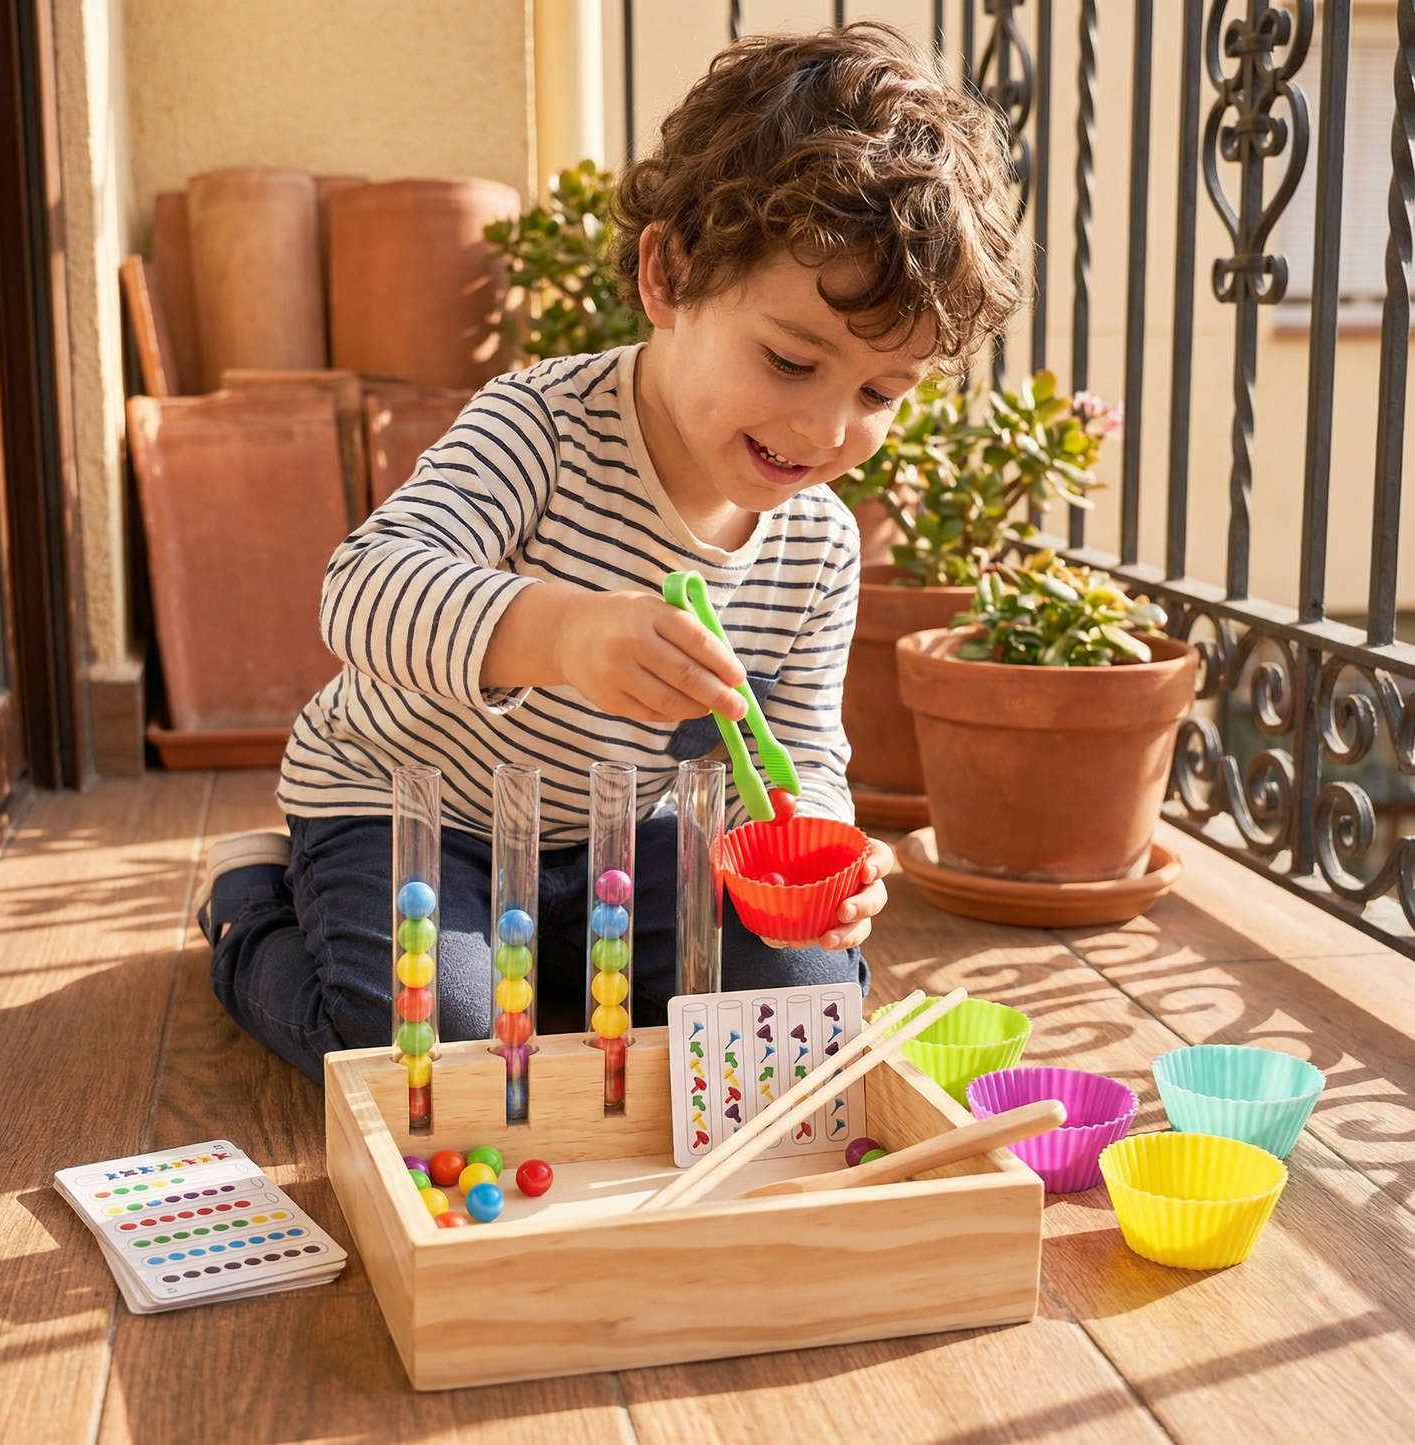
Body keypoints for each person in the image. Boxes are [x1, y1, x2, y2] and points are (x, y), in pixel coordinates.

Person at [199, 20, 1023, 1083]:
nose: (824, 432)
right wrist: (559, 630)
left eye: (876, 395)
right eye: (787, 358)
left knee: (800, 1014)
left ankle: (540, 989)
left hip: (622, 855)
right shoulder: (538, 427)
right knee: (424, 1055)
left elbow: (798, 749)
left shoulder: (816, 543)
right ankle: (255, 917)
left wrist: (817, 845)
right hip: (416, 815)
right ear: (668, 274)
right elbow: (361, 589)